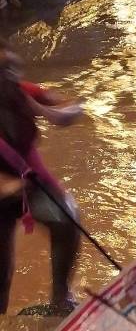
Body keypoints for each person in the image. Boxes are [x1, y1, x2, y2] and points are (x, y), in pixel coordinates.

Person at [0, 48, 83, 314]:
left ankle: (60, 299)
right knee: (1, 272)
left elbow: (67, 105)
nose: (9, 80)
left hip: (27, 180)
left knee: (66, 218)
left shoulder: (21, 93)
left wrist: (58, 110)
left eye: (12, 71)